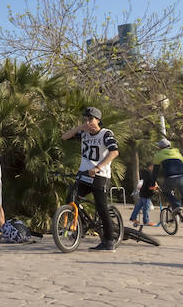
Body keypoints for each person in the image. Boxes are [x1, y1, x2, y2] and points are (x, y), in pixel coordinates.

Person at [61, 107, 119, 252]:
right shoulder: (83, 133)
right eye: (85, 119)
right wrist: (79, 128)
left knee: (101, 207)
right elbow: (64, 137)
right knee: (71, 197)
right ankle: (79, 227)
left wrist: (98, 167)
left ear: (98, 120)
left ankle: (109, 241)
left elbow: (114, 152)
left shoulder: (106, 134)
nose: (87, 122)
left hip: (100, 175)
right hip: (84, 174)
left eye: (90, 119)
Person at [152, 139, 183, 213]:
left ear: (160, 147)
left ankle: (176, 205)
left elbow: (155, 171)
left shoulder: (158, 155)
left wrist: (153, 181)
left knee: (165, 191)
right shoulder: (177, 153)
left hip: (170, 178)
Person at [129, 162, 157, 227]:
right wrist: (155, 189)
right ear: (150, 166)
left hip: (142, 192)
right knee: (146, 208)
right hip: (147, 193)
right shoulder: (150, 174)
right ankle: (146, 221)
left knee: (138, 207)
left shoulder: (144, 173)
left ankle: (133, 218)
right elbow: (150, 186)